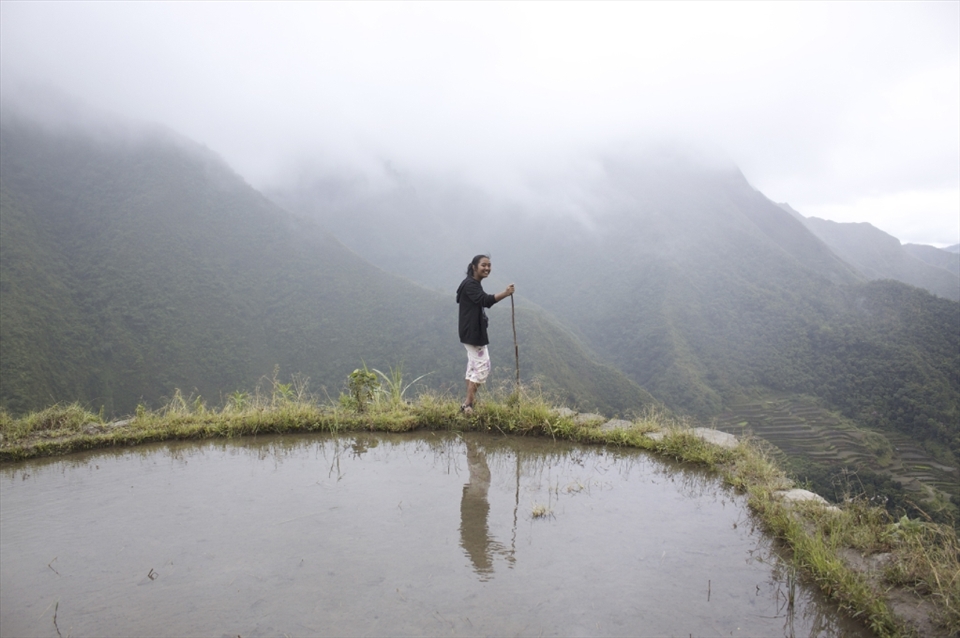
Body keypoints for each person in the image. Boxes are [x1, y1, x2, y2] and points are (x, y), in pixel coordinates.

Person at [456, 255, 515, 414]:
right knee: (483, 367)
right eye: (484, 265)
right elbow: (486, 301)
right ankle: (467, 404)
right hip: (472, 333)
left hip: (470, 331)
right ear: (474, 267)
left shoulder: (471, 283)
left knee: (473, 366)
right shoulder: (470, 285)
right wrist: (506, 293)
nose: (487, 268)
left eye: (489, 265)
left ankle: (468, 403)